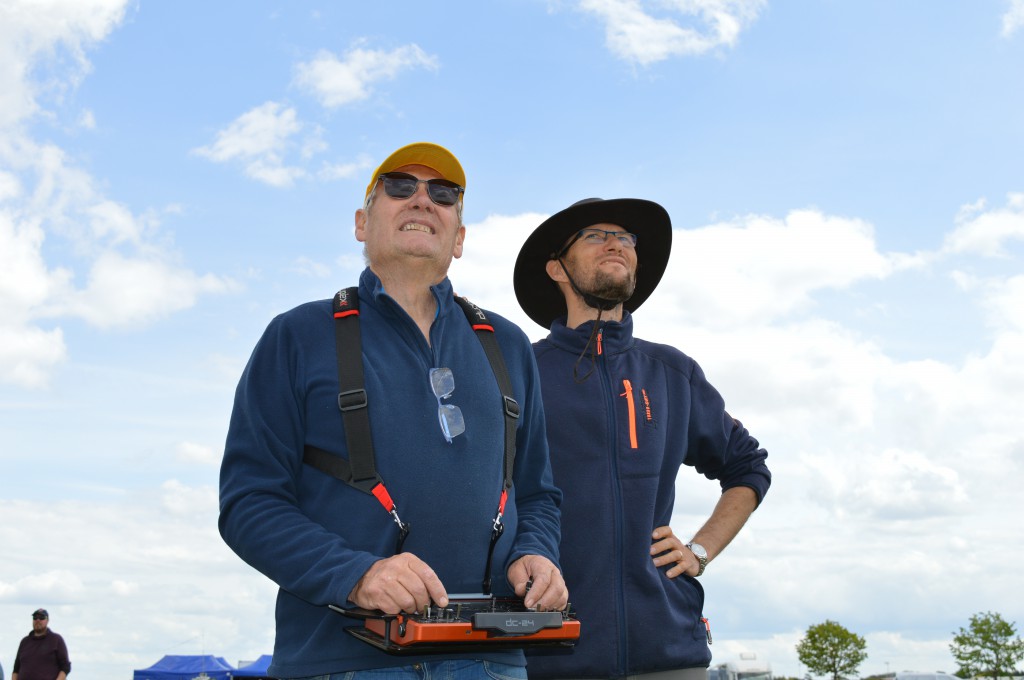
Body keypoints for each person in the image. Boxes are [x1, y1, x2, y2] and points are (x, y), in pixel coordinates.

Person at [219, 142, 567, 679]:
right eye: (400, 187)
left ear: (459, 238)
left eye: (444, 194)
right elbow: (249, 503)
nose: (423, 200)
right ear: (362, 223)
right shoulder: (296, 336)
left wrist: (536, 553)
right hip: (339, 661)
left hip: (491, 660)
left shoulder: (509, 344)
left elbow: (538, 494)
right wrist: (355, 575)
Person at [512, 198, 772, 680]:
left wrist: (699, 551)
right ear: (557, 268)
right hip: (547, 650)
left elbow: (748, 467)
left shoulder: (672, 372)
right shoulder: (518, 373)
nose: (616, 244)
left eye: (625, 238)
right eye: (595, 236)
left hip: (668, 652)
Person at [12, 608, 71, 680]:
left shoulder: (56, 640)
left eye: (41, 617)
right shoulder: (24, 641)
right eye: (35, 618)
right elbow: (16, 669)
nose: (38, 620)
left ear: (47, 620)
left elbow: (65, 667)